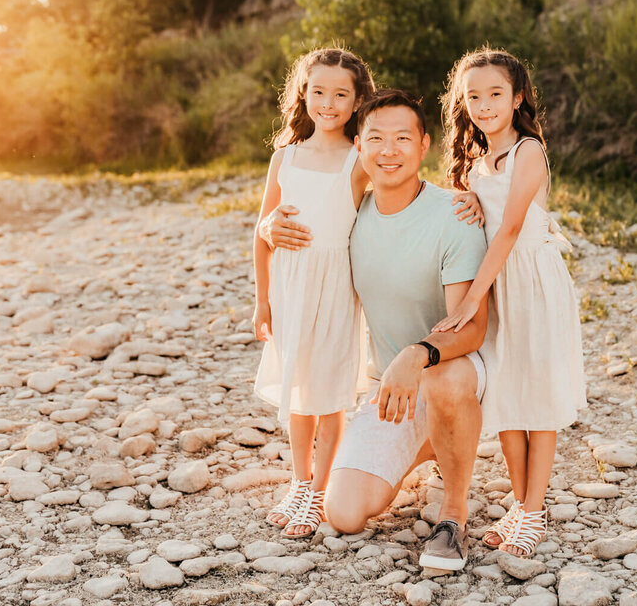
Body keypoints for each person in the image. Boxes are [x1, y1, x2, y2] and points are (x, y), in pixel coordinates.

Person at [264, 88, 490, 572]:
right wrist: (266, 229)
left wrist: (416, 354)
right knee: (343, 514)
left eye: (403, 138)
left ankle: (453, 513)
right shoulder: (351, 215)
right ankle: (433, 441)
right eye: (376, 139)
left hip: (456, 373)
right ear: (359, 149)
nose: (390, 151)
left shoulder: (454, 216)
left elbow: (471, 332)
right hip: (391, 389)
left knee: (443, 379)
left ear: (424, 144)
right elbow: (290, 228)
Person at [433, 47, 587, 557]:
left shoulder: (528, 151)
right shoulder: (478, 162)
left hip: (532, 284)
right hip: (500, 287)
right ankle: (521, 505)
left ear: (517, 97)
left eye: (495, 94)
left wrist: (470, 302)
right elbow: (485, 216)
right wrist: (472, 199)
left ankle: (535, 511)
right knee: (506, 397)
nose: (484, 104)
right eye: (473, 96)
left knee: (537, 400)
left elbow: (513, 228)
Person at [250, 47, 375, 538]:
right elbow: (262, 230)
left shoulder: (359, 160)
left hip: (336, 288)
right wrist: (262, 299)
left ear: (356, 99)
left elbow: (401, 193)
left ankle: (321, 490)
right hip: (291, 287)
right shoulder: (286, 157)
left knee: (329, 395)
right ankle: (299, 482)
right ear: (302, 94)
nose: (328, 102)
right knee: (299, 391)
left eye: (340, 94)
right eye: (318, 91)